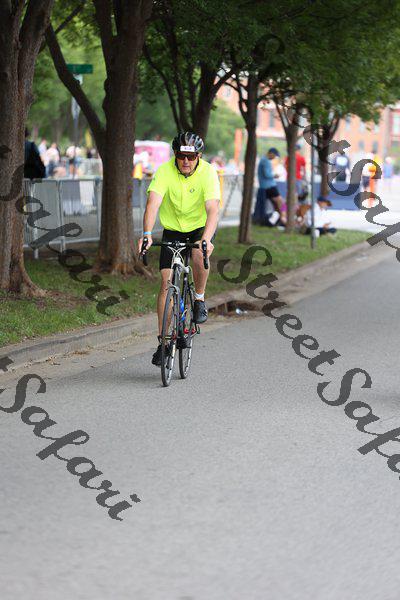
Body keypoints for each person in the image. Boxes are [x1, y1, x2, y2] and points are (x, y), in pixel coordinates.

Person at [138, 131, 220, 367]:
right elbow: (153, 203)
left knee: (198, 254)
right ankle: (164, 343)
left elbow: (213, 209)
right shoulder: (165, 171)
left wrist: (206, 240)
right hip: (173, 230)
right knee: (166, 284)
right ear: (175, 155)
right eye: (181, 156)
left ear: (198, 156)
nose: (186, 161)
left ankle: (199, 297)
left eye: (191, 157)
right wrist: (146, 234)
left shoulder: (208, 172)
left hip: (200, 227)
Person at [252, 148, 284, 226]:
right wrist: (275, 175)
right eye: (275, 156)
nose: (274, 158)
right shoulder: (265, 161)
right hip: (269, 186)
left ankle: (280, 218)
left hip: (266, 186)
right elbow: (267, 174)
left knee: (275, 204)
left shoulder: (263, 160)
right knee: (280, 201)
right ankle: (284, 217)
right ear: (271, 153)